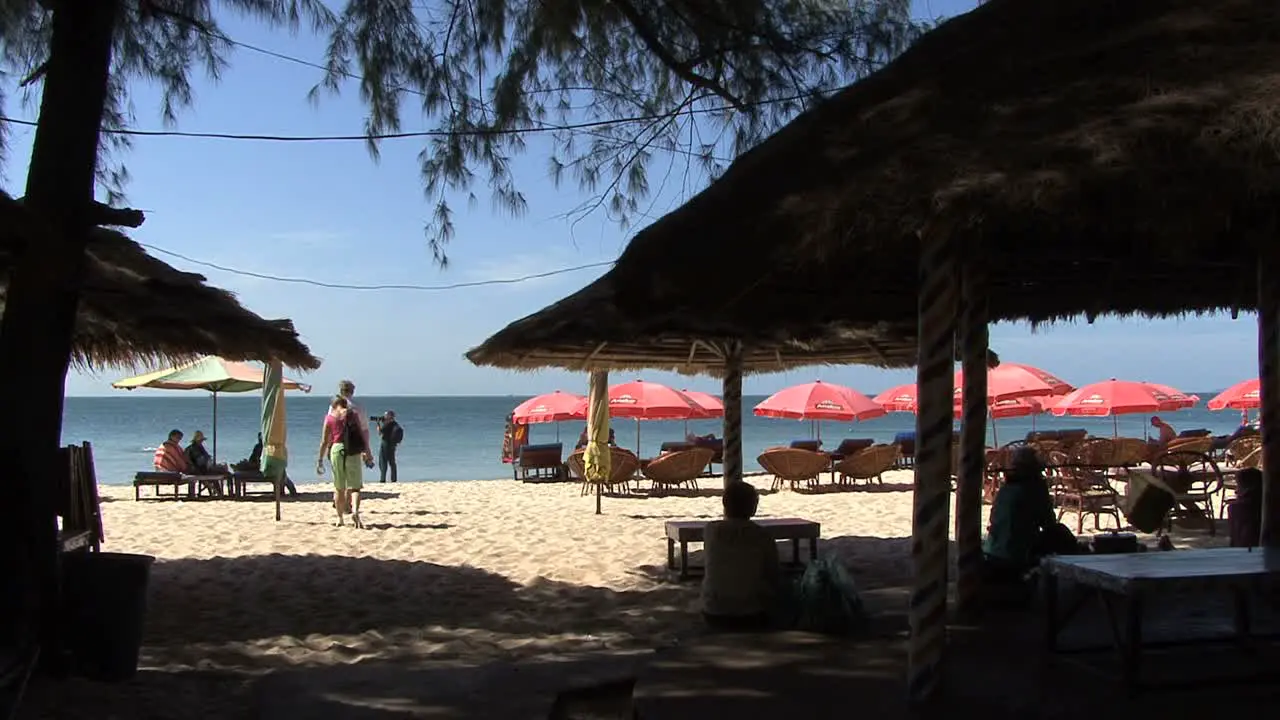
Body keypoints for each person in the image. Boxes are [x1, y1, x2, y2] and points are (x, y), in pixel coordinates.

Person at [982, 446, 1074, 583]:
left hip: (992, 550)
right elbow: (1049, 523)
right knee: (1061, 533)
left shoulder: (1005, 489)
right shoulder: (1034, 489)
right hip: (1017, 554)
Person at [701, 481, 783, 631]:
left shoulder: (711, 530)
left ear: (724, 503)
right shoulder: (762, 535)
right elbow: (773, 574)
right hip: (751, 614)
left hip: (714, 612)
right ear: (753, 508)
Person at [319, 396, 371, 528]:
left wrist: (320, 459)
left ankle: (339, 518)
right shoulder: (352, 415)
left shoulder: (329, 418)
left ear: (334, 405)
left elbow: (325, 441)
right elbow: (360, 434)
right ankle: (355, 511)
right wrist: (367, 451)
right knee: (355, 487)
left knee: (339, 488)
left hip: (336, 449)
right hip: (352, 450)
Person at [375, 410, 404, 483]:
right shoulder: (396, 424)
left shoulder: (387, 424)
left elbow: (379, 432)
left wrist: (378, 424)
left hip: (385, 444)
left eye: (385, 415)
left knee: (383, 462)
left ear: (389, 416)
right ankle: (394, 479)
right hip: (392, 445)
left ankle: (382, 479)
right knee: (392, 462)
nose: (384, 417)